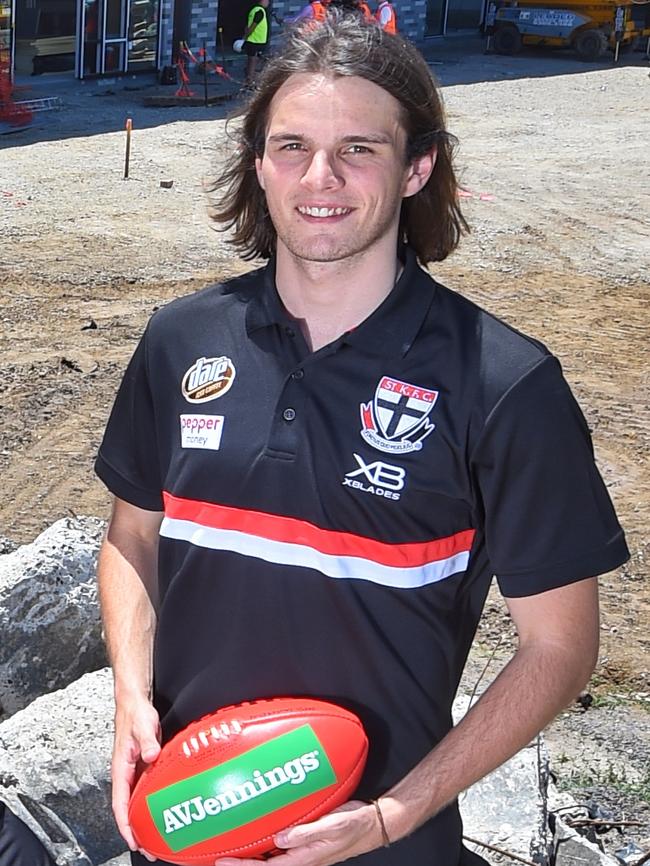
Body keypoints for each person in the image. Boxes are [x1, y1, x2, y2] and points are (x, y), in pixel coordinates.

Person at [95, 13, 629, 866]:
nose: (322, 177)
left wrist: (393, 814)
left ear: (418, 166)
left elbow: (560, 649)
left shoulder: (505, 383)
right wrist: (129, 693)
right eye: (293, 145)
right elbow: (132, 538)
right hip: (197, 819)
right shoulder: (180, 340)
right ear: (259, 163)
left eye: (359, 149)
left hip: (380, 846)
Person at [241, 0, 270, 85]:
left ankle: (250, 78)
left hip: (253, 40)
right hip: (257, 41)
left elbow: (247, 25)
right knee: (253, 60)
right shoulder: (260, 11)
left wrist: (245, 37)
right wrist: (245, 37)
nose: (268, 2)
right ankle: (250, 81)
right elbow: (252, 27)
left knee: (252, 60)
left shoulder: (253, 10)